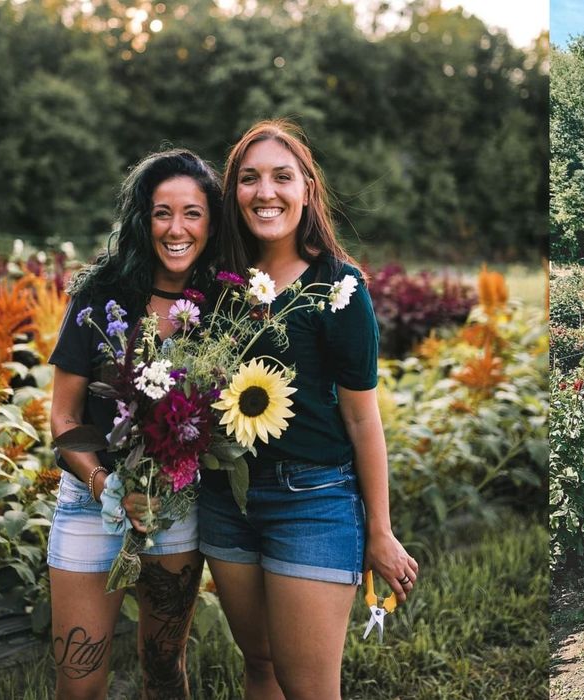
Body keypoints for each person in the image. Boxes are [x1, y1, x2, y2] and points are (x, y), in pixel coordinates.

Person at [201, 119, 418, 698]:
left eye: (281, 177)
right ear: (233, 193)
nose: (264, 192)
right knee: (260, 665)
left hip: (312, 502)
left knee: (309, 688)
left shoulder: (339, 286)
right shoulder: (218, 282)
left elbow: (360, 417)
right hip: (225, 501)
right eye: (248, 179)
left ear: (307, 190)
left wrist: (380, 529)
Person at [48, 149, 222, 698]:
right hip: (90, 504)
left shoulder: (226, 306)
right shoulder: (99, 297)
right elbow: (64, 415)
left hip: (176, 507)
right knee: (79, 683)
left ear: (211, 222)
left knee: (165, 675)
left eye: (192, 213)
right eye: (161, 212)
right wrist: (107, 485)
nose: (177, 228)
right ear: (142, 221)